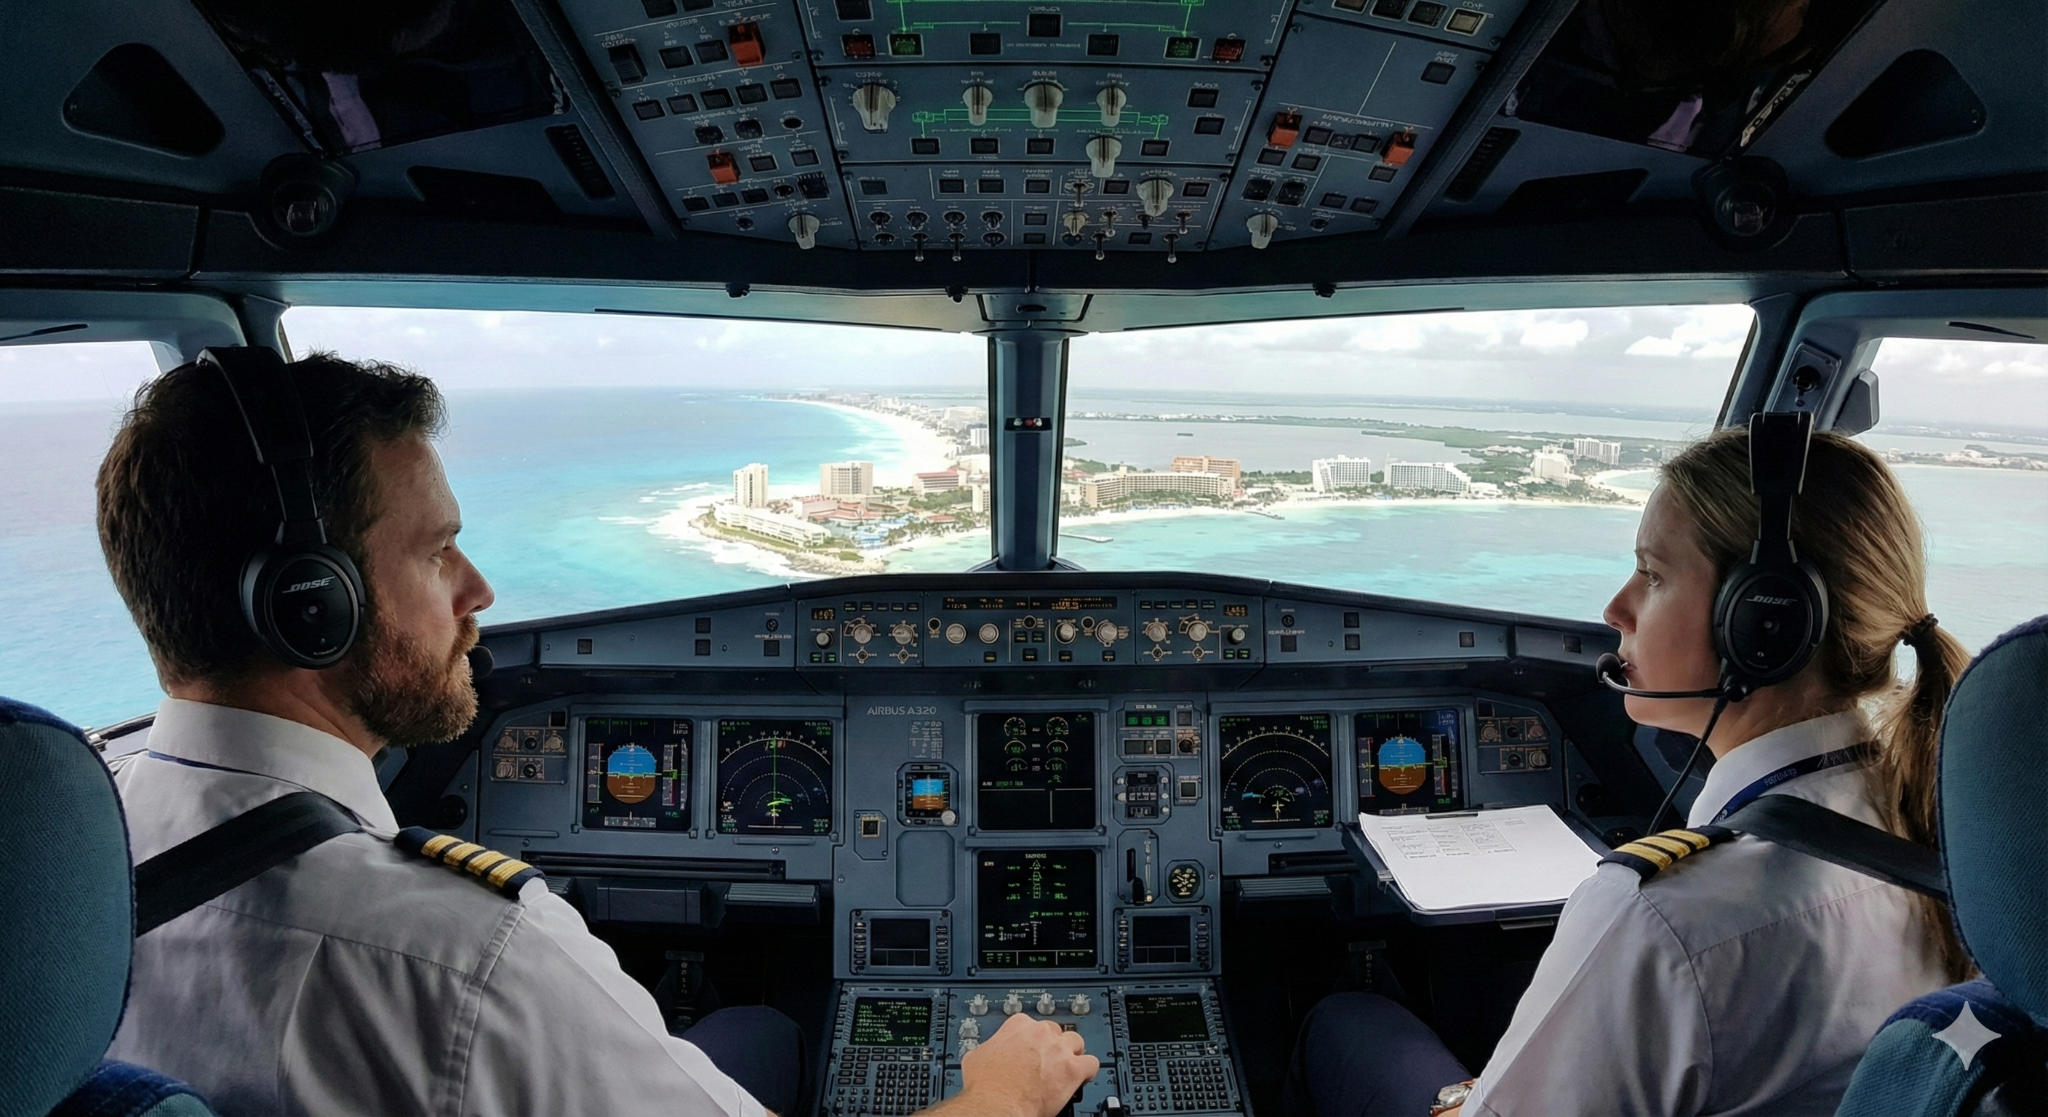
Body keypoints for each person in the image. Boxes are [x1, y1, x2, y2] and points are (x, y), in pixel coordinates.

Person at [96, 351, 1099, 1117]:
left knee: (750, 1030)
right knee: (756, 1031)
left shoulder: (65, 854)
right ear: (313, 605)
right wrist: (1004, 1094)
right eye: (436, 551)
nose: (478, 590)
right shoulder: (470, 954)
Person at [1288, 426, 1969, 1116]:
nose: (1616, 608)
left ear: (1766, 622)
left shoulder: (1661, 917)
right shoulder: (1950, 832)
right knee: (1502, 987)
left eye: (1652, 574)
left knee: (1346, 1021)